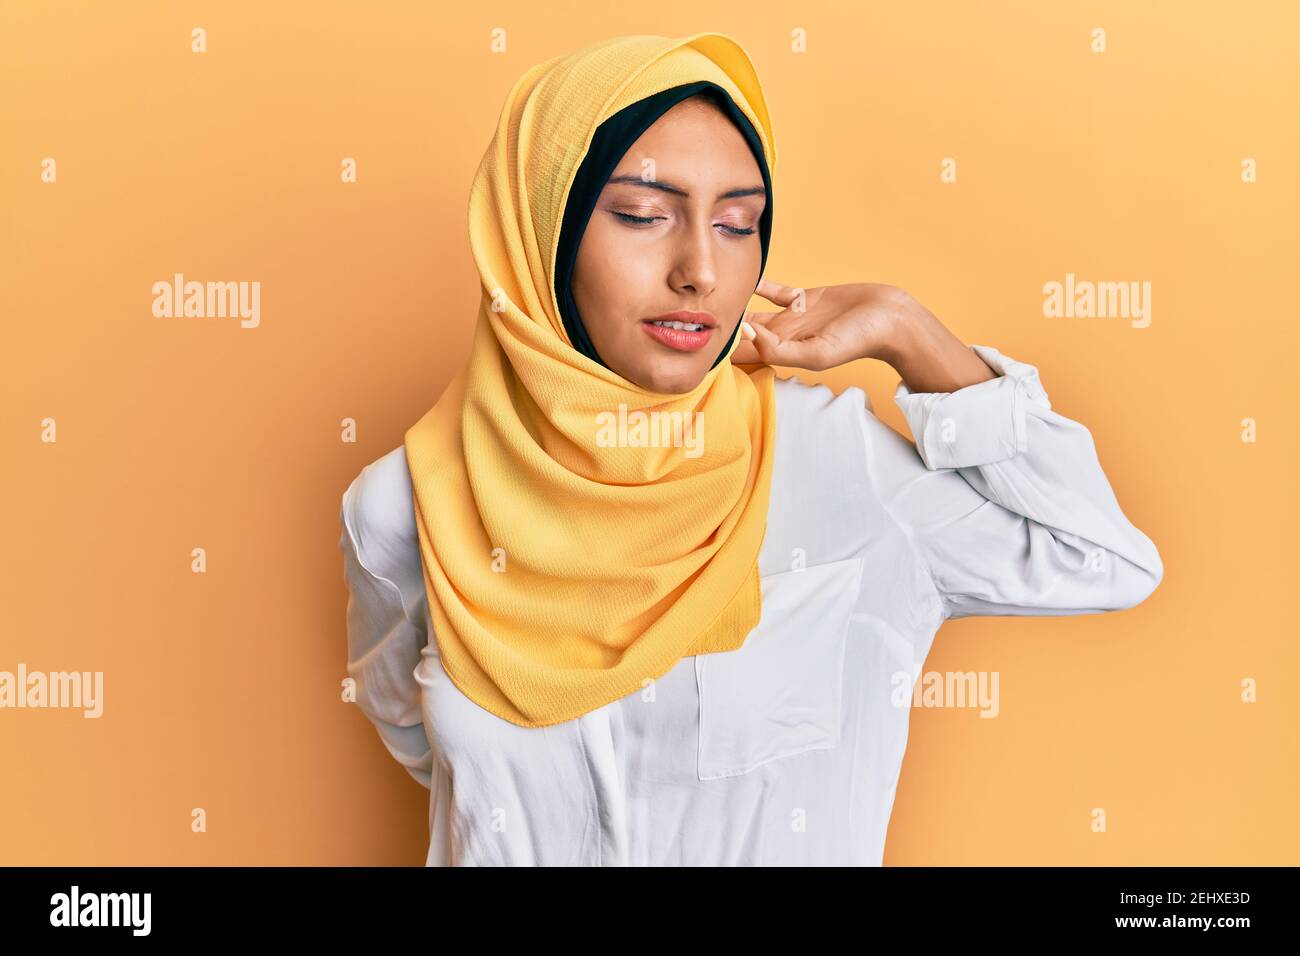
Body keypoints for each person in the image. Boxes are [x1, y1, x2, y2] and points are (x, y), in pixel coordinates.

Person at [337, 32, 1162, 866]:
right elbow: (422, 744)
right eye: (642, 215)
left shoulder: (834, 461)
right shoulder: (405, 504)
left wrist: (915, 338)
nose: (701, 269)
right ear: (536, 234)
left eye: (738, 224)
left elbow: (1100, 559)